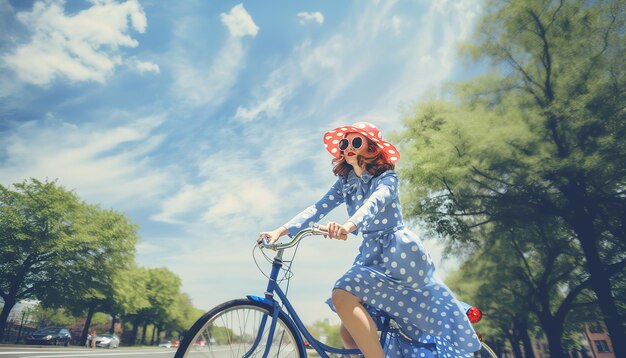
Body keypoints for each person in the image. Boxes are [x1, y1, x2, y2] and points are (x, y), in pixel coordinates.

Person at [259, 122, 481, 357]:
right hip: (370, 253)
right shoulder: (345, 182)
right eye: (345, 143)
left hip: (398, 254)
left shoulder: (387, 179)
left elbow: (372, 204)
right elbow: (317, 208)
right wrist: (280, 231)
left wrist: (348, 226)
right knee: (348, 333)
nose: (349, 148)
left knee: (342, 295)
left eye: (356, 142)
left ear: (372, 149)